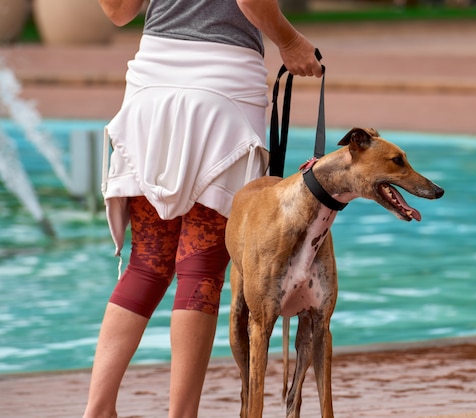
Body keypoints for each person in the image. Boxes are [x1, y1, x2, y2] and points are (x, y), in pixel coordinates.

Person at [83, 1, 323, 417]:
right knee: (200, 270)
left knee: (147, 263)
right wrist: (289, 41)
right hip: (223, 90)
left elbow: (118, 10)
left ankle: (97, 411)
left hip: (151, 87)